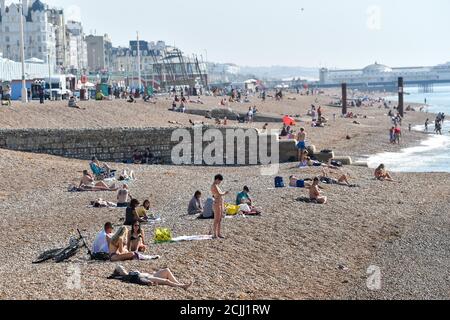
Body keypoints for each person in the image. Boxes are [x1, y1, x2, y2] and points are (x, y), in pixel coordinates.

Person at [109, 265, 192, 290]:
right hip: (148, 278)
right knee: (166, 281)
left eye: (123, 268)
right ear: (119, 273)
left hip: (150, 275)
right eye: (121, 269)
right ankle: (182, 286)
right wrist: (148, 283)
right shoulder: (125, 277)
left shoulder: (128, 274)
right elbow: (140, 280)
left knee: (166, 270)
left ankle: (179, 284)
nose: (123, 268)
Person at [211, 174, 229, 239]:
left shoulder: (216, 186)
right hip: (217, 203)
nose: (220, 182)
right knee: (216, 219)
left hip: (219, 203)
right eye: (219, 181)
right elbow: (219, 194)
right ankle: (215, 234)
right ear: (217, 179)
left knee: (220, 219)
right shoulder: (214, 186)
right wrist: (225, 193)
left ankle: (218, 233)